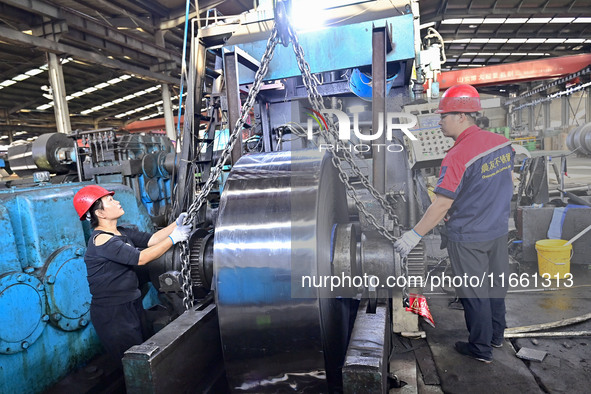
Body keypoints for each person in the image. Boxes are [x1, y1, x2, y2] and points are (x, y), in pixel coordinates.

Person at [394, 84, 514, 363]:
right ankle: (496, 337)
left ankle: (480, 349)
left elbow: (442, 204)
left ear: (462, 116)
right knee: (496, 286)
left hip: (469, 236)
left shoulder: (456, 156)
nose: (439, 121)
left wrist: (414, 235)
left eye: (444, 116)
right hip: (497, 230)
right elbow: (496, 185)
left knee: (474, 293)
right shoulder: (501, 142)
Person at [73, 184, 191, 368]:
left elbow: (151, 240)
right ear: (100, 214)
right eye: (110, 200)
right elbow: (141, 258)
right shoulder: (102, 240)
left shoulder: (122, 232)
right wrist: (174, 239)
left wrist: (176, 225)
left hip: (131, 305)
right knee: (132, 366)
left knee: (143, 355)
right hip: (113, 314)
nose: (117, 201)